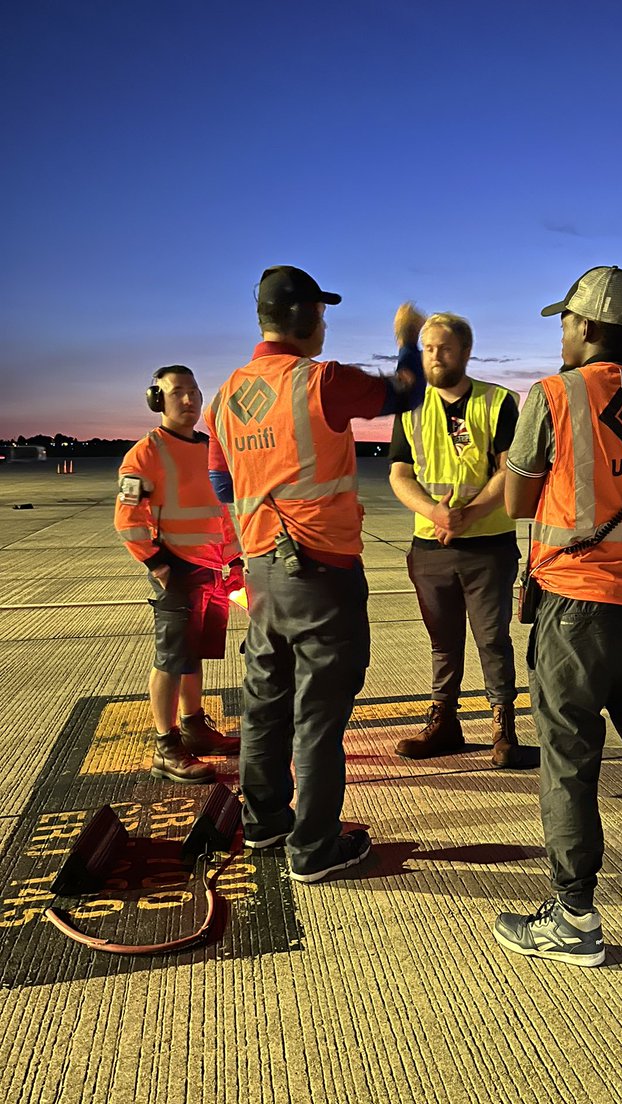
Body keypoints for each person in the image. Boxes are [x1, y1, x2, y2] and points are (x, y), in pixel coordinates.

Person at [492, 266, 622, 967]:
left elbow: (517, 502)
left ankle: (574, 915)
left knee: (570, 761)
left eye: (565, 320)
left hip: (577, 609)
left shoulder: (553, 395)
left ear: (586, 326)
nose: (560, 331)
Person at [205, 266, 426, 883]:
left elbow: (222, 483)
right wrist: (406, 336)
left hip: (262, 570)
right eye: (322, 314)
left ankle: (265, 821)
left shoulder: (226, 395)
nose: (326, 324)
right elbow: (405, 390)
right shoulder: (320, 381)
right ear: (305, 317)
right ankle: (315, 847)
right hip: (320, 569)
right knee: (321, 713)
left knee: (265, 702)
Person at [388, 312, 522, 767]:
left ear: (466, 351)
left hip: (488, 543)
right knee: (443, 642)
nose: (435, 357)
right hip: (431, 546)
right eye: (427, 348)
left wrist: (469, 514)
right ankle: (444, 722)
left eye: (444, 348)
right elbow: (400, 474)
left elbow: (509, 469)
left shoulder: (498, 401)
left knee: (492, 639)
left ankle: (504, 728)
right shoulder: (411, 406)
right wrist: (435, 513)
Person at [114, 365, 243, 784]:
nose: (188, 400)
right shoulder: (146, 452)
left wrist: (234, 558)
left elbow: (220, 513)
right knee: (171, 659)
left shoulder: (210, 449)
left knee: (193, 654)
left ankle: (194, 727)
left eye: (193, 392)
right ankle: (166, 746)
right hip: (176, 568)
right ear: (158, 400)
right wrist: (156, 564)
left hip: (210, 568)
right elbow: (128, 518)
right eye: (177, 393)